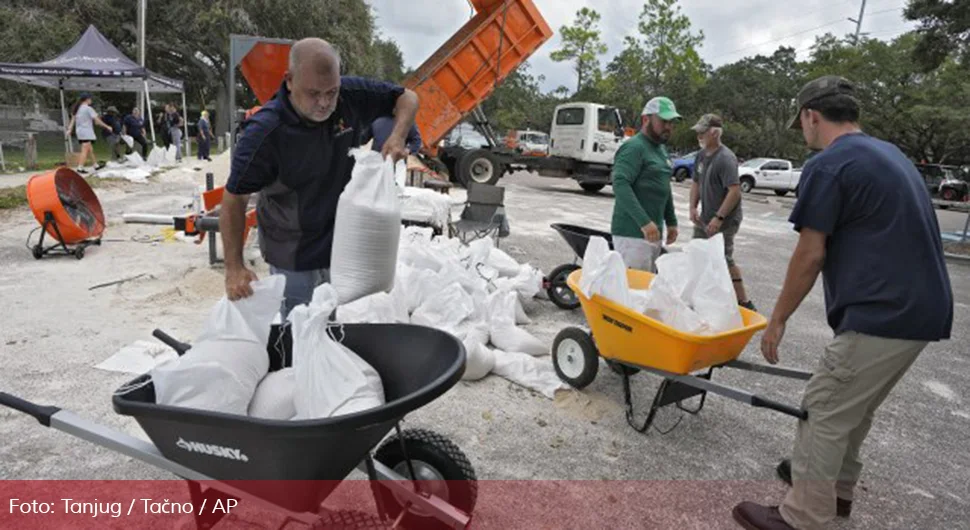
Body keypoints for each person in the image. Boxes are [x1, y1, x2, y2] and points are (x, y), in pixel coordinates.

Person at [732, 76, 953, 530]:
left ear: (812, 115)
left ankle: (802, 516)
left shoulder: (829, 164)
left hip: (882, 312)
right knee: (855, 408)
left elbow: (810, 253)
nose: (805, 133)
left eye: (802, 124)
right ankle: (837, 493)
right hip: (923, 311)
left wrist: (776, 320)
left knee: (825, 406)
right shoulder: (889, 154)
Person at [220, 38, 419, 318]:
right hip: (292, 251)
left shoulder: (350, 95)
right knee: (300, 327)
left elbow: (408, 97)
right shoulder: (264, 134)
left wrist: (398, 136)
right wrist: (234, 267)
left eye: (331, 92)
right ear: (289, 81)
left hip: (338, 245)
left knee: (330, 322)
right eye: (314, 93)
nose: (325, 102)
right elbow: (234, 198)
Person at [688, 114, 756, 311]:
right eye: (698, 132)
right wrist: (693, 207)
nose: (699, 135)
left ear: (715, 133)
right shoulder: (701, 156)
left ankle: (744, 301)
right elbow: (696, 183)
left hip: (725, 220)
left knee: (723, 258)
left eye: (703, 132)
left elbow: (734, 191)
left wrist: (719, 217)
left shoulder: (726, 158)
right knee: (697, 254)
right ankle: (698, 297)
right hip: (705, 218)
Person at [610, 96, 681, 272]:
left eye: (672, 122)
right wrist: (644, 222)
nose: (668, 127)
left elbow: (664, 187)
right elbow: (620, 184)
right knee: (632, 292)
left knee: (645, 291)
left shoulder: (660, 149)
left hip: (652, 235)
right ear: (646, 119)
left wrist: (671, 221)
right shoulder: (634, 147)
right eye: (664, 121)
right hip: (632, 235)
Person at [65, 93, 113, 173]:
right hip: (86, 131)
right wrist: (107, 126)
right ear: (87, 99)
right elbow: (97, 121)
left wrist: (69, 129)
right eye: (90, 99)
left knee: (89, 149)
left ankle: (95, 165)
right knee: (85, 150)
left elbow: (73, 120)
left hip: (80, 131)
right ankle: (80, 167)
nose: (91, 100)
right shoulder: (88, 109)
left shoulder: (77, 109)